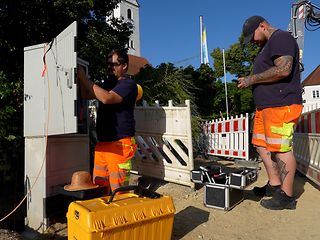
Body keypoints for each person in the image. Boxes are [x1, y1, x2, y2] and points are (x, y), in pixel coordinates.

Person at [238, 16, 303, 210]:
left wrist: (252, 79)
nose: (252, 41)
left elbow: (284, 69)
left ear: (262, 25)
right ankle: (275, 185)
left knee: (280, 148)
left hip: (281, 104)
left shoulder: (280, 38)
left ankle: (286, 196)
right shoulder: (267, 46)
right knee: (261, 145)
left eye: (253, 36)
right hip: (266, 106)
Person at [77, 49, 138, 194]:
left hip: (120, 145)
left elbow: (107, 98)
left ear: (124, 66)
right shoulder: (108, 83)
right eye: (108, 65)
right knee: (99, 188)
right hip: (103, 143)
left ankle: (123, 216)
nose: (110, 68)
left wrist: (83, 77)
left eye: (114, 64)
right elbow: (86, 94)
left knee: (119, 191)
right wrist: (79, 79)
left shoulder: (128, 84)